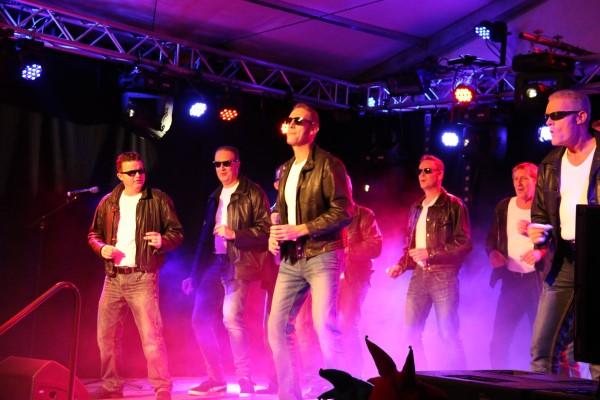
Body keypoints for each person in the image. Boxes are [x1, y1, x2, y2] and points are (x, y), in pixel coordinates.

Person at [268, 103, 353, 400]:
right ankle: (290, 396)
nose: (290, 125)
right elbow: (281, 210)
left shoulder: (330, 165)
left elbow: (344, 211)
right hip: (291, 258)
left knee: (324, 326)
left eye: (298, 120)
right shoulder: (285, 169)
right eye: (288, 120)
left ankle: (344, 394)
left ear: (313, 128)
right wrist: (274, 231)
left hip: (323, 253)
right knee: (277, 326)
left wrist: (303, 228)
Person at [88, 151, 183, 400]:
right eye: (131, 172)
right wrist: (102, 248)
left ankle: (162, 386)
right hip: (113, 278)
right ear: (120, 175)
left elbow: (177, 232)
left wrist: (163, 240)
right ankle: (111, 386)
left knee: (151, 336)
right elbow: (93, 234)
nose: (138, 175)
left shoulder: (158, 199)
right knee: (106, 337)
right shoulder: (109, 202)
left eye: (141, 170)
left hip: (142, 276)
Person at [181, 146, 272, 395]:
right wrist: (194, 273)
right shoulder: (214, 196)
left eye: (227, 163)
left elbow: (266, 230)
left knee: (231, 318)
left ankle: (245, 378)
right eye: (217, 164)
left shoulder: (252, 192)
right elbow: (204, 237)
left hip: (239, 263)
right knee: (199, 319)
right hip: (215, 262)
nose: (222, 168)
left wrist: (235, 234)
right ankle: (216, 378)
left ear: (237, 164)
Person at [527, 89, 600, 379]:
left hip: (597, 257)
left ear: (581, 117)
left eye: (556, 115)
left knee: (596, 353)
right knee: (541, 352)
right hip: (565, 259)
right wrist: (540, 232)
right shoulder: (549, 163)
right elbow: (540, 213)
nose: (549, 122)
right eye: (547, 116)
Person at [387, 154, 471, 370]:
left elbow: (464, 243)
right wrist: (400, 265)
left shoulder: (453, 204)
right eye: (420, 171)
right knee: (409, 333)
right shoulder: (416, 207)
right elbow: (411, 246)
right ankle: (419, 378)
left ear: (440, 174)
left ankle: (461, 382)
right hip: (419, 276)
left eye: (427, 171)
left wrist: (430, 253)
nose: (421, 175)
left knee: (447, 332)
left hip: (444, 275)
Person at [486, 162, 545, 369]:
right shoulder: (504, 206)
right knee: (498, 343)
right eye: (515, 179)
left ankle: (550, 384)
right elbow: (491, 238)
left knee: (542, 344)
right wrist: (493, 254)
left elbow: (556, 240)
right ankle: (499, 384)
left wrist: (539, 251)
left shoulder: (543, 207)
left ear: (535, 181)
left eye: (524, 179)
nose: (518, 183)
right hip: (511, 282)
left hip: (536, 283)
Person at [338, 175, 382, 377]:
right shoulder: (325, 217)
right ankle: (333, 374)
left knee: (347, 323)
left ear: (348, 188)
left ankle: (354, 375)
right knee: (325, 326)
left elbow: (375, 245)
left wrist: (348, 251)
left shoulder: (364, 214)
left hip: (354, 277)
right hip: (328, 277)